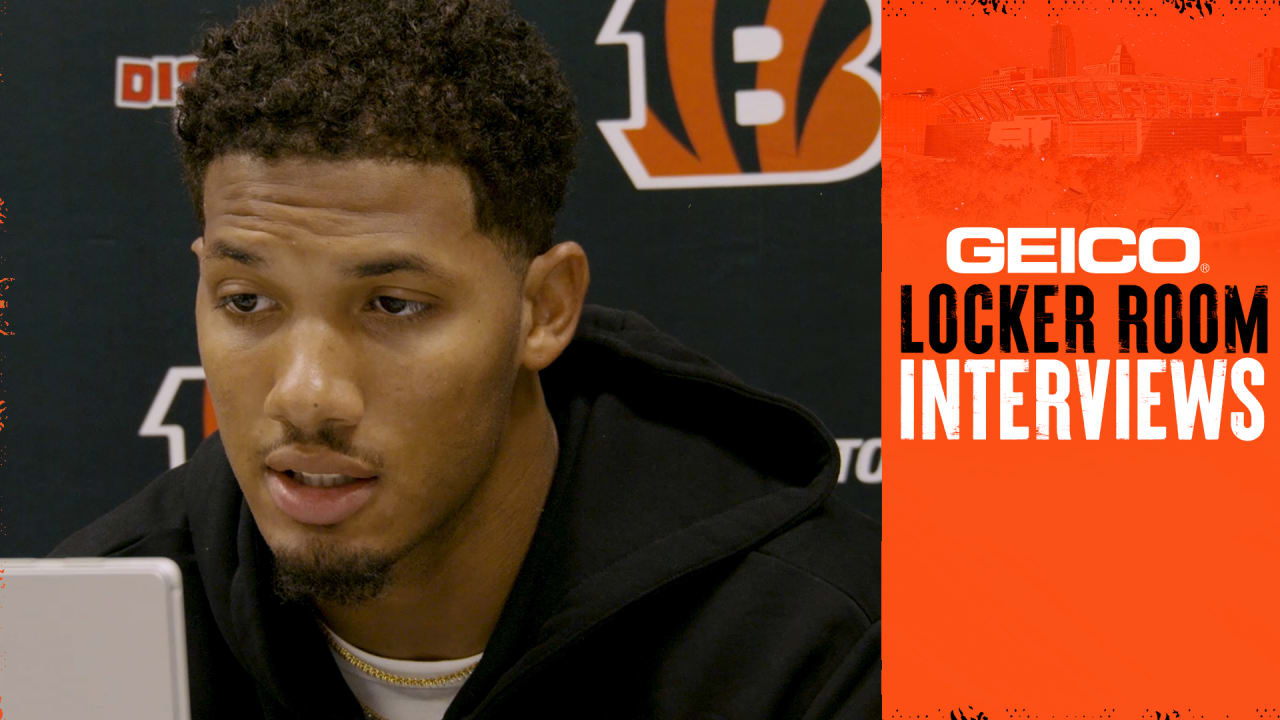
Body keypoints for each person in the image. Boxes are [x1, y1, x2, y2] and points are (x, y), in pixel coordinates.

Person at [51, 0, 880, 718]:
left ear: (543, 309)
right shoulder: (85, 636)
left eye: (393, 306)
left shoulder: (819, 639)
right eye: (246, 302)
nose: (306, 397)